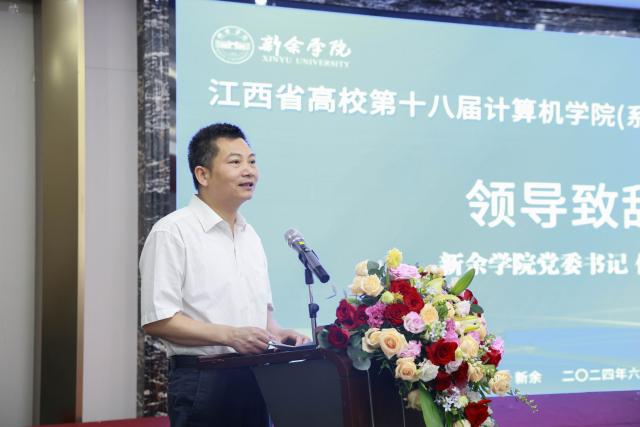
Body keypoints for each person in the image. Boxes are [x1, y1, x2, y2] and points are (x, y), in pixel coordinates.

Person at [140, 123, 310, 427]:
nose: (249, 171)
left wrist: (279, 334)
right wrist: (230, 336)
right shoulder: (172, 232)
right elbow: (158, 320)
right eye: (235, 162)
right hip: (203, 380)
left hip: (257, 376)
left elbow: (264, 319)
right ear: (202, 174)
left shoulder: (250, 235)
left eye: (252, 161)